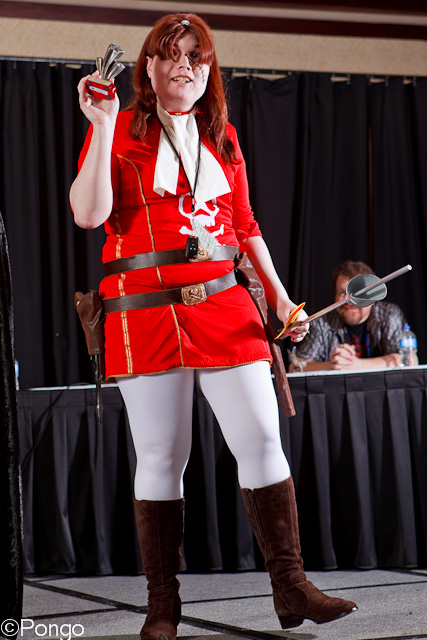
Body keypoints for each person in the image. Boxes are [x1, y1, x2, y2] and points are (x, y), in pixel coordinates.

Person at [70, 13, 357, 640]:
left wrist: (282, 302)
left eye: (196, 57)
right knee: (162, 455)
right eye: (171, 54)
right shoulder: (116, 127)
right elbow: (89, 216)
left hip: (226, 305)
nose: (185, 65)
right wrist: (100, 125)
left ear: (209, 71)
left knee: (262, 439)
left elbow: (245, 227)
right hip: (143, 308)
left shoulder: (223, 139)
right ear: (148, 67)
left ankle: (292, 586)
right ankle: (163, 606)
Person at [289, 260, 411, 372]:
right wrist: (333, 365)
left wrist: (357, 365)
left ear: (372, 297)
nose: (349, 301)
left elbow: (409, 359)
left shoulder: (388, 314)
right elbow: (294, 367)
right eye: (342, 293)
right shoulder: (322, 322)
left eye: (357, 294)